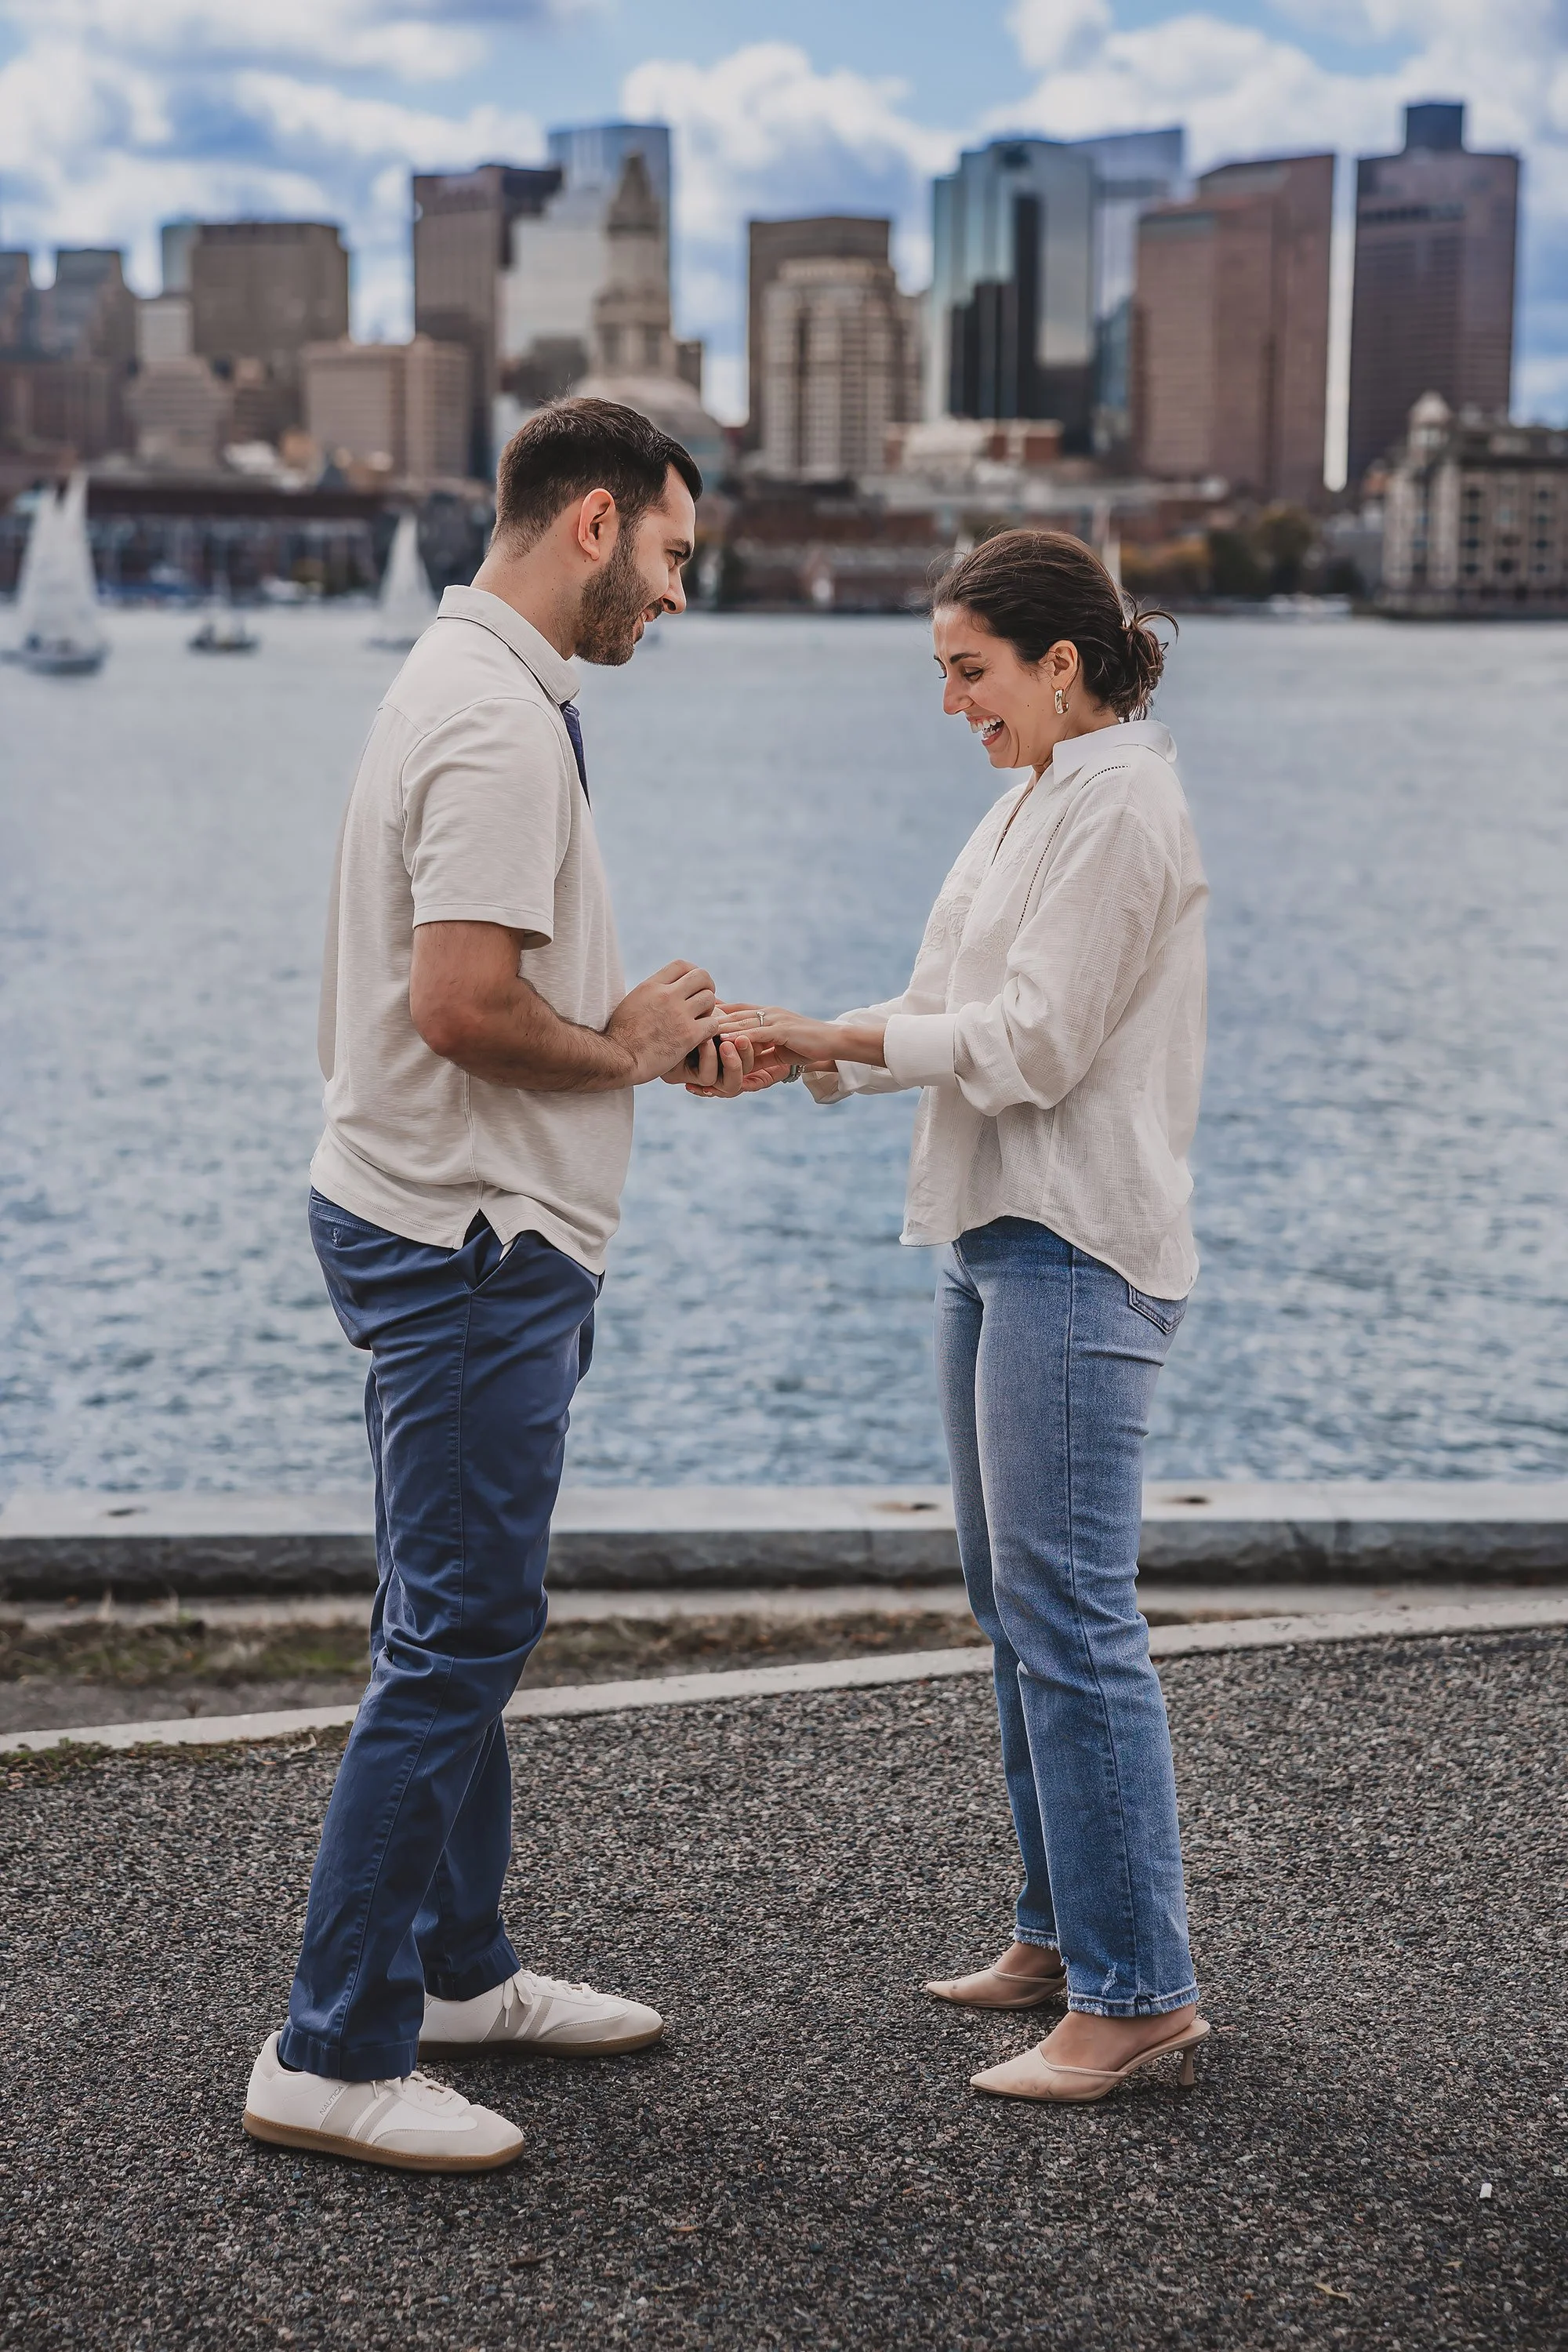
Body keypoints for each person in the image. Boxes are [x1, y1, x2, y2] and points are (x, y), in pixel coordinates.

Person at [244, 398, 753, 2173]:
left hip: (440, 1215)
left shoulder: (488, 687)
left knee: (445, 1621)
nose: (681, 596)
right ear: (596, 524)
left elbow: (475, 996)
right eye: (677, 554)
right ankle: (332, 2050)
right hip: (467, 1241)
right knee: (459, 1635)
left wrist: (641, 1039)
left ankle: (454, 1974)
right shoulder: (492, 716)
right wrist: (620, 1053)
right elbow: (457, 1006)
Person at [717, 530, 1210, 2106]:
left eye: (968, 670)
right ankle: (1061, 1936)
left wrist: (830, 1033)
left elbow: (1038, 1041)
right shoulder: (1035, 800)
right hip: (995, 1236)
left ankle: (1138, 1992)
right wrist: (806, 1049)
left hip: (1074, 1243)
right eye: (943, 671)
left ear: (1060, 663)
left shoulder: (1121, 803)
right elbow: (947, 1009)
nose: (951, 702)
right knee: (1017, 1611)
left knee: (1071, 1620)